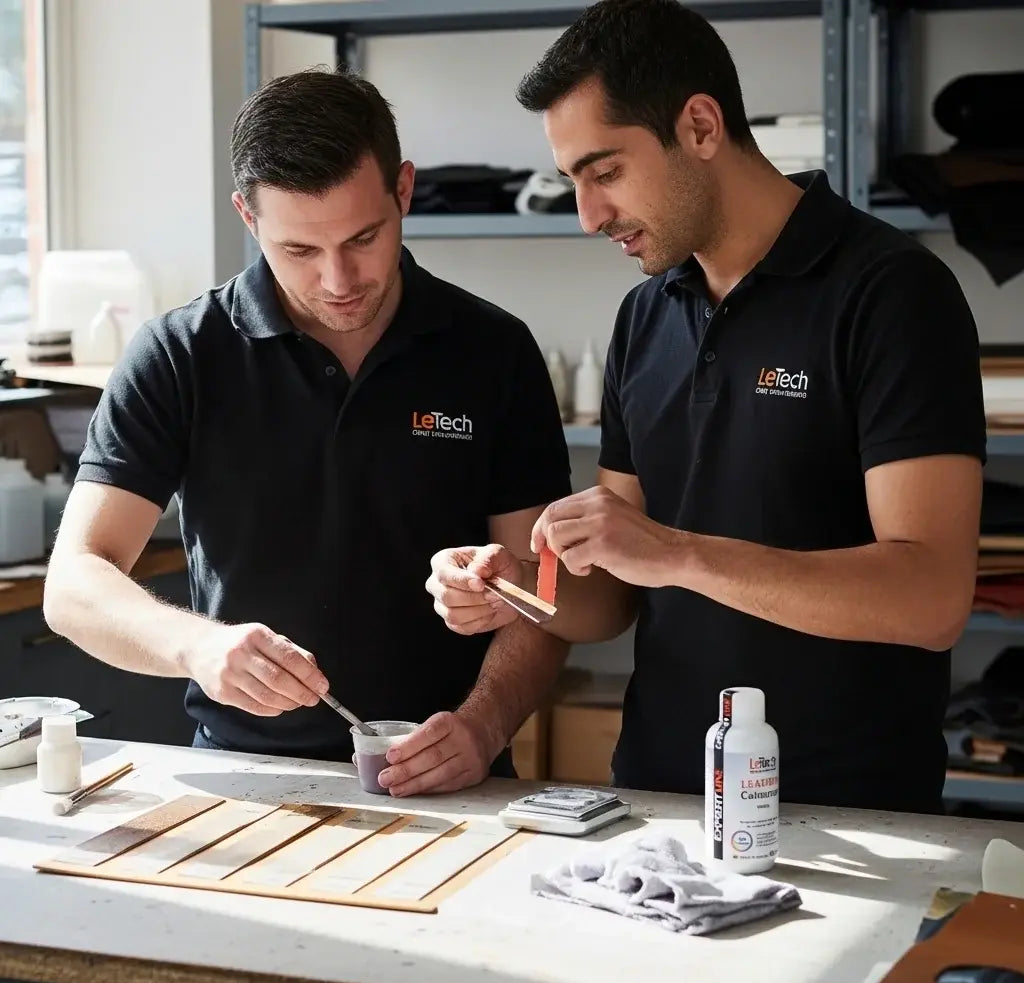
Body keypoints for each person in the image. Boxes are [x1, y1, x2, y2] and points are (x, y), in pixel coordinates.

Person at [426, 0, 986, 814]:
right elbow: (613, 595)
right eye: (573, 180)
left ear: (698, 126)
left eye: (605, 173)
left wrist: (678, 554)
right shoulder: (644, 316)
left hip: (850, 809)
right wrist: (516, 585)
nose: (587, 217)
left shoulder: (892, 294)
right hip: (656, 801)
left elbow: (932, 598)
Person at [42, 69, 572, 797]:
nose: (338, 280)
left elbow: (544, 597)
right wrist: (197, 646)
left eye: (364, 237)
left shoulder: (493, 352)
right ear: (248, 216)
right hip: (245, 775)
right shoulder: (181, 355)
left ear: (404, 190)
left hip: (453, 773)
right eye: (299, 250)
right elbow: (73, 584)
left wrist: (485, 724)